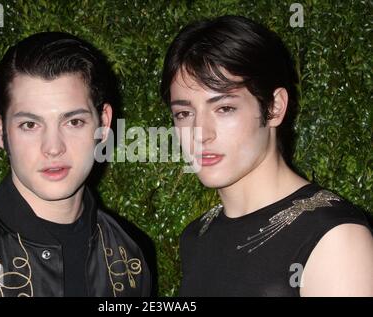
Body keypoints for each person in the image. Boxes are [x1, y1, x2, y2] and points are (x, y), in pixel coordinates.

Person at [0, 32, 151, 297]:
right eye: (30, 125)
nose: (53, 147)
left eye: (73, 122)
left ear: (104, 124)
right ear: (1, 131)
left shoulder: (131, 253)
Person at [160, 15, 373, 296]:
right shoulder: (197, 236)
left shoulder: (334, 239)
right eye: (185, 113)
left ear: (274, 108)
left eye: (224, 108)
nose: (200, 133)